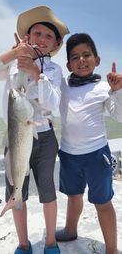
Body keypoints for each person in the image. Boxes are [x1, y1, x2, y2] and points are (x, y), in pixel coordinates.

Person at [0, 5, 69, 254]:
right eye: (37, 33)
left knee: (47, 191)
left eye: (48, 36)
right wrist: (10, 55)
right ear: (27, 37)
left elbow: (53, 103)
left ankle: (50, 243)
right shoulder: (11, 64)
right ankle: (23, 244)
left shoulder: (54, 69)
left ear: (55, 43)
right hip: (15, 135)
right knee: (15, 189)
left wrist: (35, 72)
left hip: (44, 136)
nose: (42, 39)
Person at [55, 33, 122, 254]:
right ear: (68, 64)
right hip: (68, 153)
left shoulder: (104, 87)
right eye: (75, 57)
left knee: (102, 202)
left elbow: (119, 116)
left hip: (96, 155)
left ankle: (112, 249)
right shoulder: (63, 85)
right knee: (73, 196)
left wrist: (118, 91)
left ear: (97, 59)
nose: (81, 60)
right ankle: (70, 229)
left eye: (86, 55)